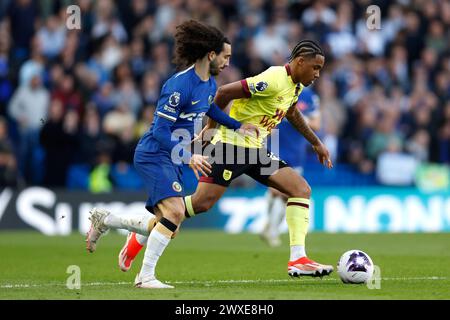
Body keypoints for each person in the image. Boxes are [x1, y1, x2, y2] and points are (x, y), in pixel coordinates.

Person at [91, 39, 334, 284]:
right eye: (315, 68)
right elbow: (224, 92)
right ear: (300, 62)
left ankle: (298, 259)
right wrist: (210, 131)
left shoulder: (295, 85)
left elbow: (291, 112)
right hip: (231, 147)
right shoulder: (273, 79)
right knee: (199, 204)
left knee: (300, 189)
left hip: (256, 150)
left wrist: (316, 142)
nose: (317, 74)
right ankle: (139, 229)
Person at [85, 20, 258, 289]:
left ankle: (106, 220)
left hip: (173, 157)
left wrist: (237, 126)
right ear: (211, 54)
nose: (227, 63)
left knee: (169, 225)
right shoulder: (178, 86)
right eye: (226, 57)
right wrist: (189, 155)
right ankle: (145, 277)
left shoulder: (209, 84)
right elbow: (160, 132)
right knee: (176, 212)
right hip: (155, 154)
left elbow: (209, 109)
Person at [261, 87, 321, 247]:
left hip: (296, 152)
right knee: (275, 189)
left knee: (286, 193)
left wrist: (296, 116)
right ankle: (270, 228)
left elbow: (316, 124)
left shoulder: (309, 96)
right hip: (274, 146)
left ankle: (270, 227)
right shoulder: (278, 88)